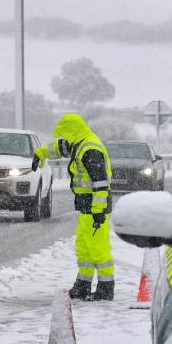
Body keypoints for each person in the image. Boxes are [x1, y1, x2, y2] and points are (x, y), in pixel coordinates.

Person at [36, 114, 114, 301]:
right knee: (85, 247)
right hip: (87, 206)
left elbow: (101, 184)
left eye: (66, 133)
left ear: (73, 131)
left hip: (96, 208)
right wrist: (40, 153)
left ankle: (105, 288)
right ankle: (83, 284)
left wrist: (97, 212)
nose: (65, 139)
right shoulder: (79, 142)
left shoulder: (90, 149)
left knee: (99, 249)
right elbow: (59, 148)